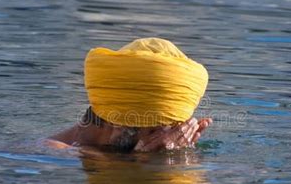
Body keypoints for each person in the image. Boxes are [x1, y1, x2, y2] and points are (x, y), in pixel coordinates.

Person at [49, 37, 212, 152]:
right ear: (119, 125)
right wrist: (147, 160)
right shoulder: (53, 153)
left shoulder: (93, 157)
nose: (171, 139)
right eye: (159, 133)